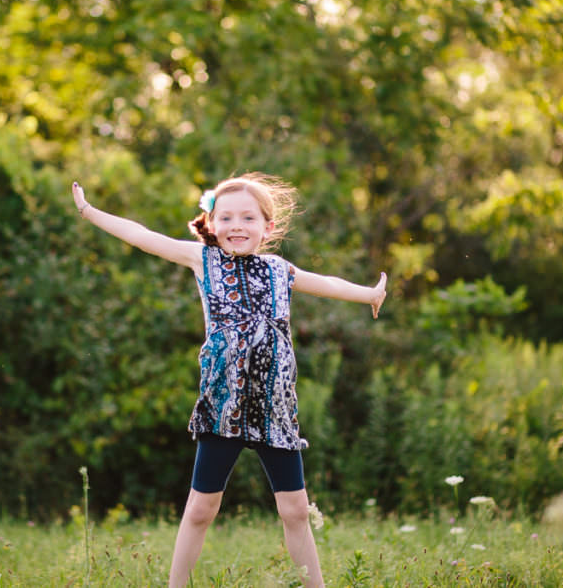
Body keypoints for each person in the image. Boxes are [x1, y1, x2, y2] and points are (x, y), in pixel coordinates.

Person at [72, 172, 387, 588]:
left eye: (248, 218)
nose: (236, 226)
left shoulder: (280, 269)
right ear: (212, 222)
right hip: (225, 406)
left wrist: (369, 294)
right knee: (202, 507)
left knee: (295, 510)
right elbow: (143, 235)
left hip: (275, 409)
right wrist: (90, 212)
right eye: (226, 218)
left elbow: (326, 284)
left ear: (267, 227)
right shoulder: (203, 260)